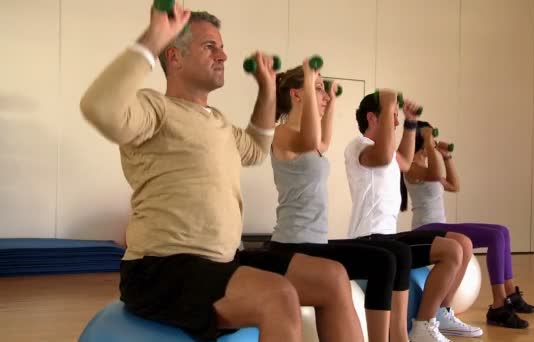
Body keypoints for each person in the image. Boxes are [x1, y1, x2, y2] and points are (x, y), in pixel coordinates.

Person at [79, 3, 363, 341]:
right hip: (162, 268)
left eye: (223, 47)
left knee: (333, 277)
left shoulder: (219, 122)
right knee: (279, 296)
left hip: (222, 262)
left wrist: (267, 88)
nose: (224, 56)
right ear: (174, 57)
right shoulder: (155, 109)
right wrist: (153, 36)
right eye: (210, 46)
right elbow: (100, 107)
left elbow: (257, 149)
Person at [267, 64, 412, 342]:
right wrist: (312, 85)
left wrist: (330, 103)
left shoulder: (311, 143)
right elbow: (311, 139)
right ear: (297, 95)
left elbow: (322, 142)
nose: (322, 95)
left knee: (390, 257)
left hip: (316, 244)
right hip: (291, 246)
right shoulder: (281, 133)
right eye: (317, 88)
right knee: (382, 260)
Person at [345, 92, 483, 341]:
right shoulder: (359, 145)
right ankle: (423, 325)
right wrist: (389, 103)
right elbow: (387, 155)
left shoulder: (387, 152)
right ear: (372, 118)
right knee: (451, 251)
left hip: (389, 236)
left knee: (463, 243)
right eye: (392, 117)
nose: (395, 124)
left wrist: (410, 122)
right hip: (368, 238)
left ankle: (440, 313)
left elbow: (406, 162)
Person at [401, 120, 534, 329]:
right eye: (430, 137)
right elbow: (436, 175)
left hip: (439, 226)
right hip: (425, 229)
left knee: (502, 232)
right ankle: (499, 305)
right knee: (494, 237)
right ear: (422, 140)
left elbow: (455, 185)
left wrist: (447, 156)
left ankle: (510, 294)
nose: (435, 141)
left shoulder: (428, 166)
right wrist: (430, 142)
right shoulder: (411, 168)